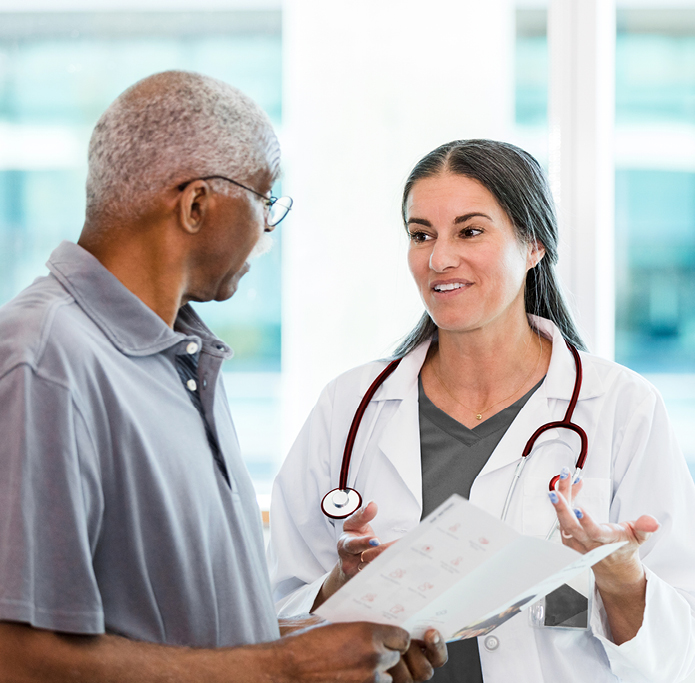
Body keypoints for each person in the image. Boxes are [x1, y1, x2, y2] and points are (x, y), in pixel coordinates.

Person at [0, 70, 445, 683]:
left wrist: (328, 641)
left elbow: (185, 632)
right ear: (196, 205)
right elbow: (18, 657)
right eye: (265, 199)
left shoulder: (179, 358)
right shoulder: (46, 360)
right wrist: (285, 666)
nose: (267, 228)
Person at [268, 139, 695, 683]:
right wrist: (336, 585)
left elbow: (680, 644)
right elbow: (274, 613)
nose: (439, 258)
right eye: (421, 235)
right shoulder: (350, 406)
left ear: (533, 245)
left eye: (470, 231)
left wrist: (619, 572)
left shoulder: (619, 406)